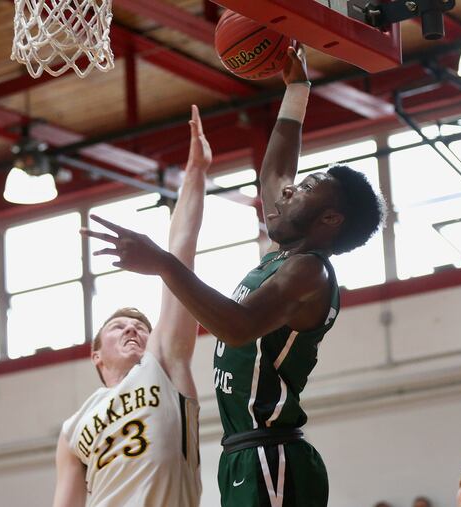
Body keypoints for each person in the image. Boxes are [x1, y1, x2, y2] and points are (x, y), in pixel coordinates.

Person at [83, 46, 385, 507]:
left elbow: (237, 326)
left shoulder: (309, 272)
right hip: (243, 454)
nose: (289, 188)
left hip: (273, 452)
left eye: (305, 189)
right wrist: (297, 90)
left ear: (330, 220)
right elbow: (275, 170)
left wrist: (163, 262)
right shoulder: (286, 250)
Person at [52, 105, 211, 507]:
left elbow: (180, 257)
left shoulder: (164, 363)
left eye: (139, 325)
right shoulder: (73, 429)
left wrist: (194, 175)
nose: (131, 329)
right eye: (117, 326)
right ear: (95, 356)